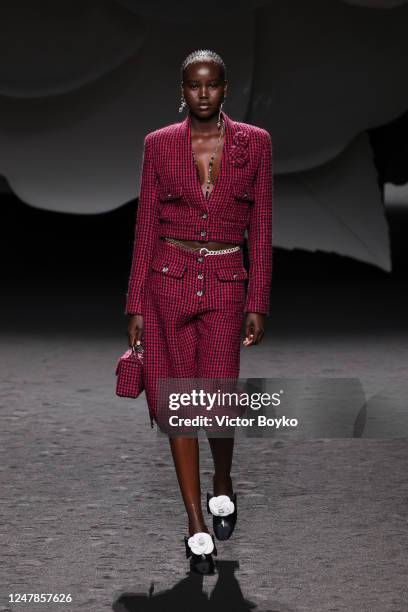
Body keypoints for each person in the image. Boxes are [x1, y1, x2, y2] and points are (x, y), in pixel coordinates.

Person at [124, 49, 273, 574]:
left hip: (228, 282)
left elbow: (263, 225)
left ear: (225, 89)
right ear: (182, 89)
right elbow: (145, 224)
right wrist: (135, 302)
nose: (203, 94)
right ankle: (195, 525)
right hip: (169, 278)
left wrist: (258, 299)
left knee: (218, 397)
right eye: (193, 85)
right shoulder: (159, 146)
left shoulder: (255, 143)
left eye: (211, 85)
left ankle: (223, 480)